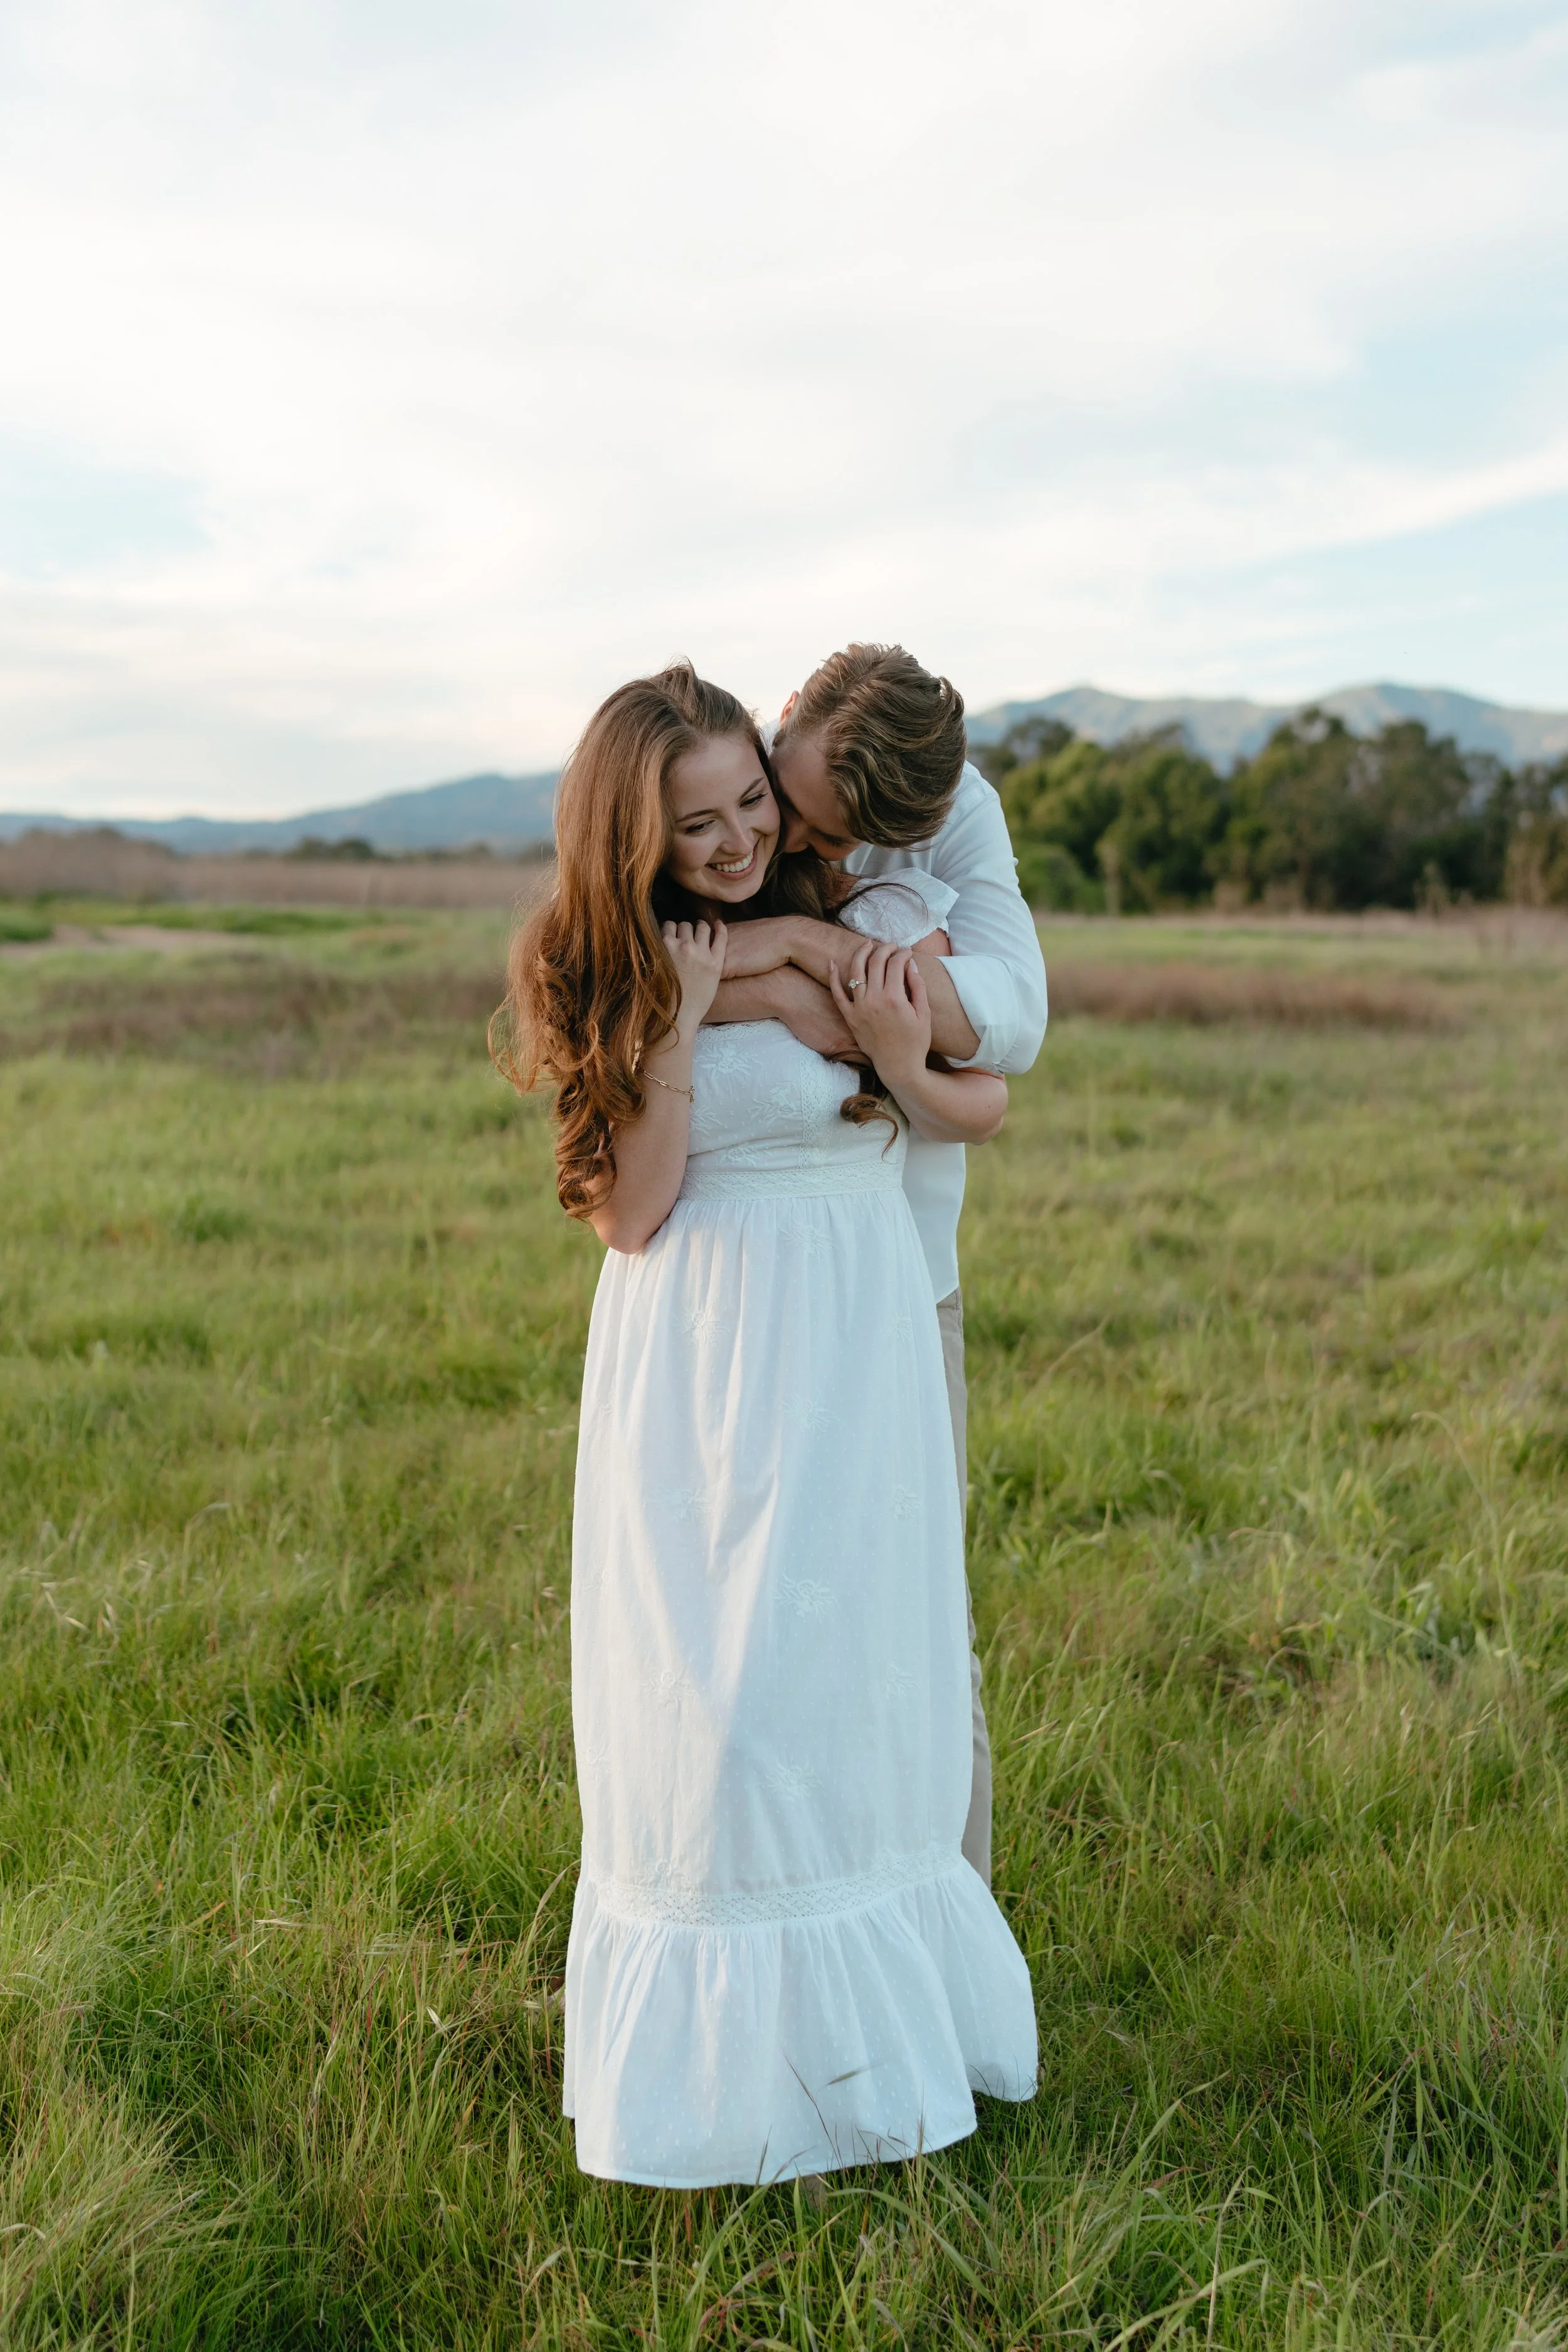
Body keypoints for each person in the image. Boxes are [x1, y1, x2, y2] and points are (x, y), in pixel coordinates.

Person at [498, 661, 1037, 2188]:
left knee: (853, 1685)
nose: (738, 836)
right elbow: (633, 1214)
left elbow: (971, 1087)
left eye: (751, 801)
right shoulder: (603, 968)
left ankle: (880, 2061)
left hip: (853, 1339)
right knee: (716, 1716)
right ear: (631, 831)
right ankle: (723, 2078)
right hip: (700, 1354)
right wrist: (682, 1011)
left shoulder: (846, 905)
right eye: (698, 819)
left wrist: (822, 984)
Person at [707, 644, 1050, 1886]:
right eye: (793, 802)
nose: (800, 836)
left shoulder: (959, 814)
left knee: (917, 1628)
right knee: (745, 1629)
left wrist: (809, 978)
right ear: (786, 711)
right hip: (737, 1283)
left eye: (839, 833)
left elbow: (1012, 1012)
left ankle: (943, 1944)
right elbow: (613, 969)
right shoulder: (714, 777)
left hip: (904, 1282)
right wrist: (804, 963)